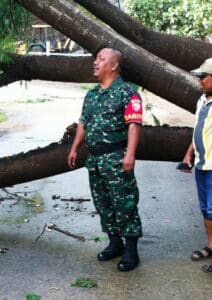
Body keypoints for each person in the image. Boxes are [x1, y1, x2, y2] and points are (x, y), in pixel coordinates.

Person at [67, 47, 143, 272]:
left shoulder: (127, 93)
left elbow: (134, 125)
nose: (95, 62)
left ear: (114, 65)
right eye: (95, 58)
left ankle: (131, 250)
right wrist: (74, 148)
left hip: (117, 157)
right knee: (103, 202)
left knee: (125, 203)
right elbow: (83, 122)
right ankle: (114, 243)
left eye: (101, 59)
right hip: (95, 159)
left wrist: (130, 154)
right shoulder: (91, 95)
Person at [179, 57, 212, 276]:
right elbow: (198, 130)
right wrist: (188, 155)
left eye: (203, 77)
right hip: (202, 164)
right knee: (205, 208)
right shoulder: (202, 101)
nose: (200, 81)